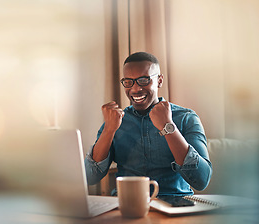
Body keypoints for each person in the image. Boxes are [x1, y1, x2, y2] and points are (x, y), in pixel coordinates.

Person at [85, 52, 212, 196]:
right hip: (126, 206)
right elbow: (90, 177)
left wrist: (168, 127)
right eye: (128, 82)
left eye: (144, 80)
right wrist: (108, 130)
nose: (135, 89)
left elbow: (201, 180)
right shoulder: (115, 121)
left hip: (175, 206)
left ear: (159, 80)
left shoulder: (186, 118)